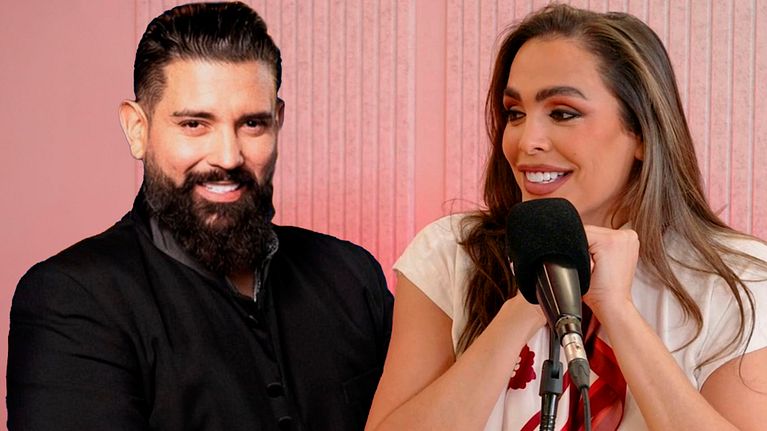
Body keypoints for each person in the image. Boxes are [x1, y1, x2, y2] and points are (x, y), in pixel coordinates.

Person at [366, 4, 767, 431]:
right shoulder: (450, 254)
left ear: (642, 133)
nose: (527, 141)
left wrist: (618, 312)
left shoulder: (735, 278)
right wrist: (526, 303)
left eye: (562, 113)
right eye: (515, 113)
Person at [7, 3, 392, 430]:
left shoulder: (353, 278)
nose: (228, 156)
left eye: (252, 124)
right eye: (194, 124)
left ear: (278, 122)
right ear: (137, 129)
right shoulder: (73, 299)